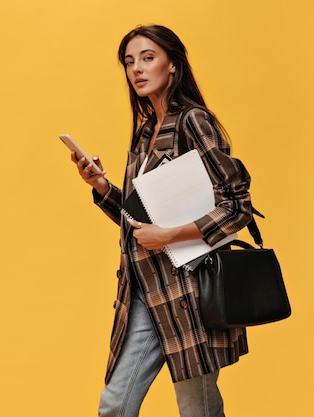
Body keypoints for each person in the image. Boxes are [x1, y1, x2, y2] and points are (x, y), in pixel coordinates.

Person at [70, 25, 253, 417]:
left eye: (148, 58)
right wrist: (102, 187)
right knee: (115, 406)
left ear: (173, 64)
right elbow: (142, 219)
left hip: (189, 296)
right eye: (129, 62)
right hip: (144, 289)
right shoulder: (145, 134)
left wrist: (170, 234)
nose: (136, 69)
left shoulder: (193, 122)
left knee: (197, 411)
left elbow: (238, 207)